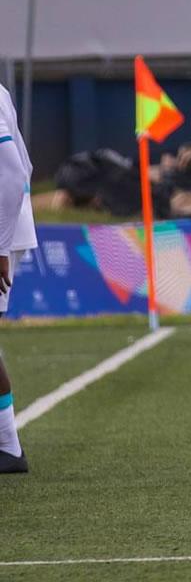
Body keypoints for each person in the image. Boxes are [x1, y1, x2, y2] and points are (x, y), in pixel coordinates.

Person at [0, 82, 36, 474]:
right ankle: (7, 445)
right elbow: (26, 165)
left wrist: (0, 246)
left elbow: (11, 174)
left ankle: (9, 446)